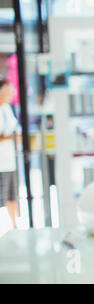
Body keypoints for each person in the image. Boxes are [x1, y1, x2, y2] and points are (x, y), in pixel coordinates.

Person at [0, 78, 19, 229]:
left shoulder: (7, 108)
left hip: (10, 159)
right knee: (2, 197)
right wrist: (10, 137)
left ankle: (14, 226)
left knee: (12, 196)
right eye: (7, 90)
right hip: (1, 162)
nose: (10, 93)